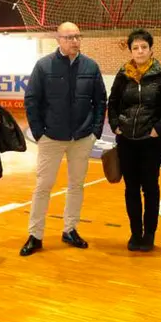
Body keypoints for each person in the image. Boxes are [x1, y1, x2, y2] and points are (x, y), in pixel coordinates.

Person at [20, 22, 107, 256]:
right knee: (43, 186)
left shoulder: (91, 66)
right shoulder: (43, 66)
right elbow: (32, 100)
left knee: (76, 185)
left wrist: (95, 132)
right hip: (51, 137)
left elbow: (100, 101)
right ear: (58, 39)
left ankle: (70, 229)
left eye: (78, 36)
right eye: (69, 37)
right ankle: (35, 235)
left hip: (82, 138)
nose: (75, 41)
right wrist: (39, 133)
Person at [107, 29, 161, 251]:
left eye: (144, 47)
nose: (140, 51)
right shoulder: (123, 75)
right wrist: (115, 125)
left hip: (151, 142)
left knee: (150, 187)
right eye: (135, 48)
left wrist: (158, 129)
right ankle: (134, 233)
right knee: (131, 188)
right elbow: (113, 103)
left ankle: (149, 234)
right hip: (126, 141)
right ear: (130, 51)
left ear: (151, 49)